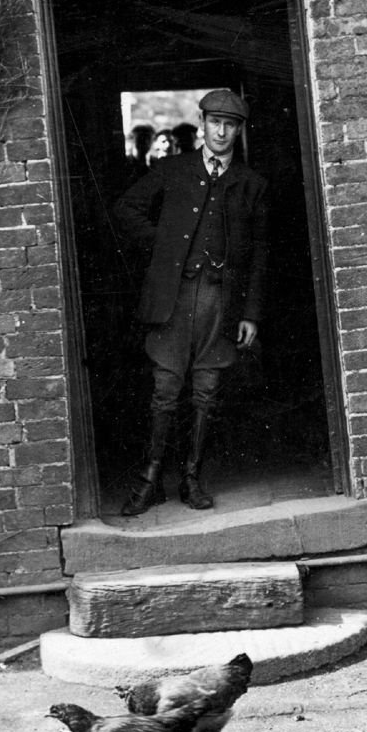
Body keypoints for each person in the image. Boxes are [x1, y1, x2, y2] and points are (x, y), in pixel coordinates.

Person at [114, 89, 268, 514]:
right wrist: (162, 247)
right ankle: (150, 481)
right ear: (201, 124)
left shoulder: (252, 185)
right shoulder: (174, 170)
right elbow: (127, 208)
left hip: (220, 303)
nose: (221, 130)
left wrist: (251, 313)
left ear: (238, 130)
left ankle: (191, 478)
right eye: (214, 121)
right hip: (174, 300)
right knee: (165, 390)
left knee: (207, 391)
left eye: (230, 124)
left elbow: (259, 254)